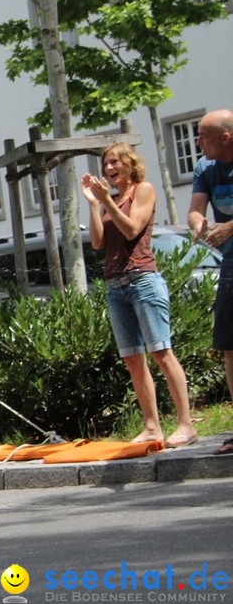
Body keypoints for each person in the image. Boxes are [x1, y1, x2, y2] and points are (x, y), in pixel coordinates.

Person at [81, 143, 197, 448]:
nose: (108, 168)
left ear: (129, 163)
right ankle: (151, 427)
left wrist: (108, 200)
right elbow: (96, 243)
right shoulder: (110, 200)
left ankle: (186, 424)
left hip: (143, 280)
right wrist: (96, 205)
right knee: (133, 359)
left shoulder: (143, 190)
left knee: (161, 352)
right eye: (105, 164)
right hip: (115, 285)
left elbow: (132, 230)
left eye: (114, 162)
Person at [187, 108, 233, 455]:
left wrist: (230, 227)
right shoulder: (206, 168)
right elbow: (196, 207)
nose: (198, 142)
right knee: (229, 347)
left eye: (203, 136)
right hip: (230, 264)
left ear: (225, 138)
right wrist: (197, 223)